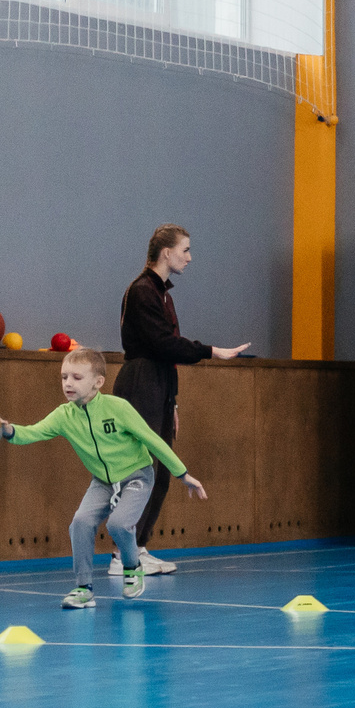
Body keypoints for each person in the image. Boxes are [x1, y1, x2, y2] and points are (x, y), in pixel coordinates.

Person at [0, 346, 208, 609]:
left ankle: (132, 567)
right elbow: (32, 432)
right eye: (64, 377)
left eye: (77, 377)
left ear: (98, 382)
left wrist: (182, 474)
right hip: (103, 482)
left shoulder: (118, 408)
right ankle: (83, 588)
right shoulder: (64, 415)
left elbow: (153, 440)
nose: (68, 383)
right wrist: (8, 430)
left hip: (137, 476)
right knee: (80, 523)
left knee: (118, 524)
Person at [114, 224, 247, 575]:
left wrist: (172, 401)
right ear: (166, 253)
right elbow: (163, 344)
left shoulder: (164, 296)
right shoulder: (142, 291)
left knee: (161, 467)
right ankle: (121, 554)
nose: (189, 257)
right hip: (140, 380)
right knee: (141, 467)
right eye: (185, 250)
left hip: (159, 382)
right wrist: (213, 351)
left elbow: (167, 353)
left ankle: (137, 547)